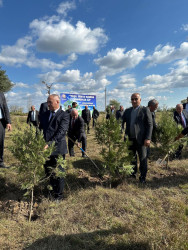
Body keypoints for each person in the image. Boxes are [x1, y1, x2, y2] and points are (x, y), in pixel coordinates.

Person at [39, 94, 70, 201]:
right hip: (45, 148)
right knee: (49, 171)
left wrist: (49, 144)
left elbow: (61, 132)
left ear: (57, 102)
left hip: (58, 148)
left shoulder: (64, 115)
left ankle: (59, 196)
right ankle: (52, 191)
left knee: (59, 172)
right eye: (47, 102)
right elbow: (40, 129)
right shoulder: (45, 114)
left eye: (50, 102)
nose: (48, 104)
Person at [122, 93, 153, 183]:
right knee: (132, 157)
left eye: (136, 99)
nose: (134, 101)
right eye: (132, 99)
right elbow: (121, 121)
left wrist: (148, 138)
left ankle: (142, 177)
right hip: (130, 139)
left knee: (143, 158)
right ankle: (133, 174)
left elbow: (150, 125)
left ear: (140, 100)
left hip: (141, 139)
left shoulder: (145, 110)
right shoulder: (128, 111)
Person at [0, 92, 12, 168]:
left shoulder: (1, 94)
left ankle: (0, 162)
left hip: (0, 121)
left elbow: (5, 107)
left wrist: (8, 122)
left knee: (0, 142)